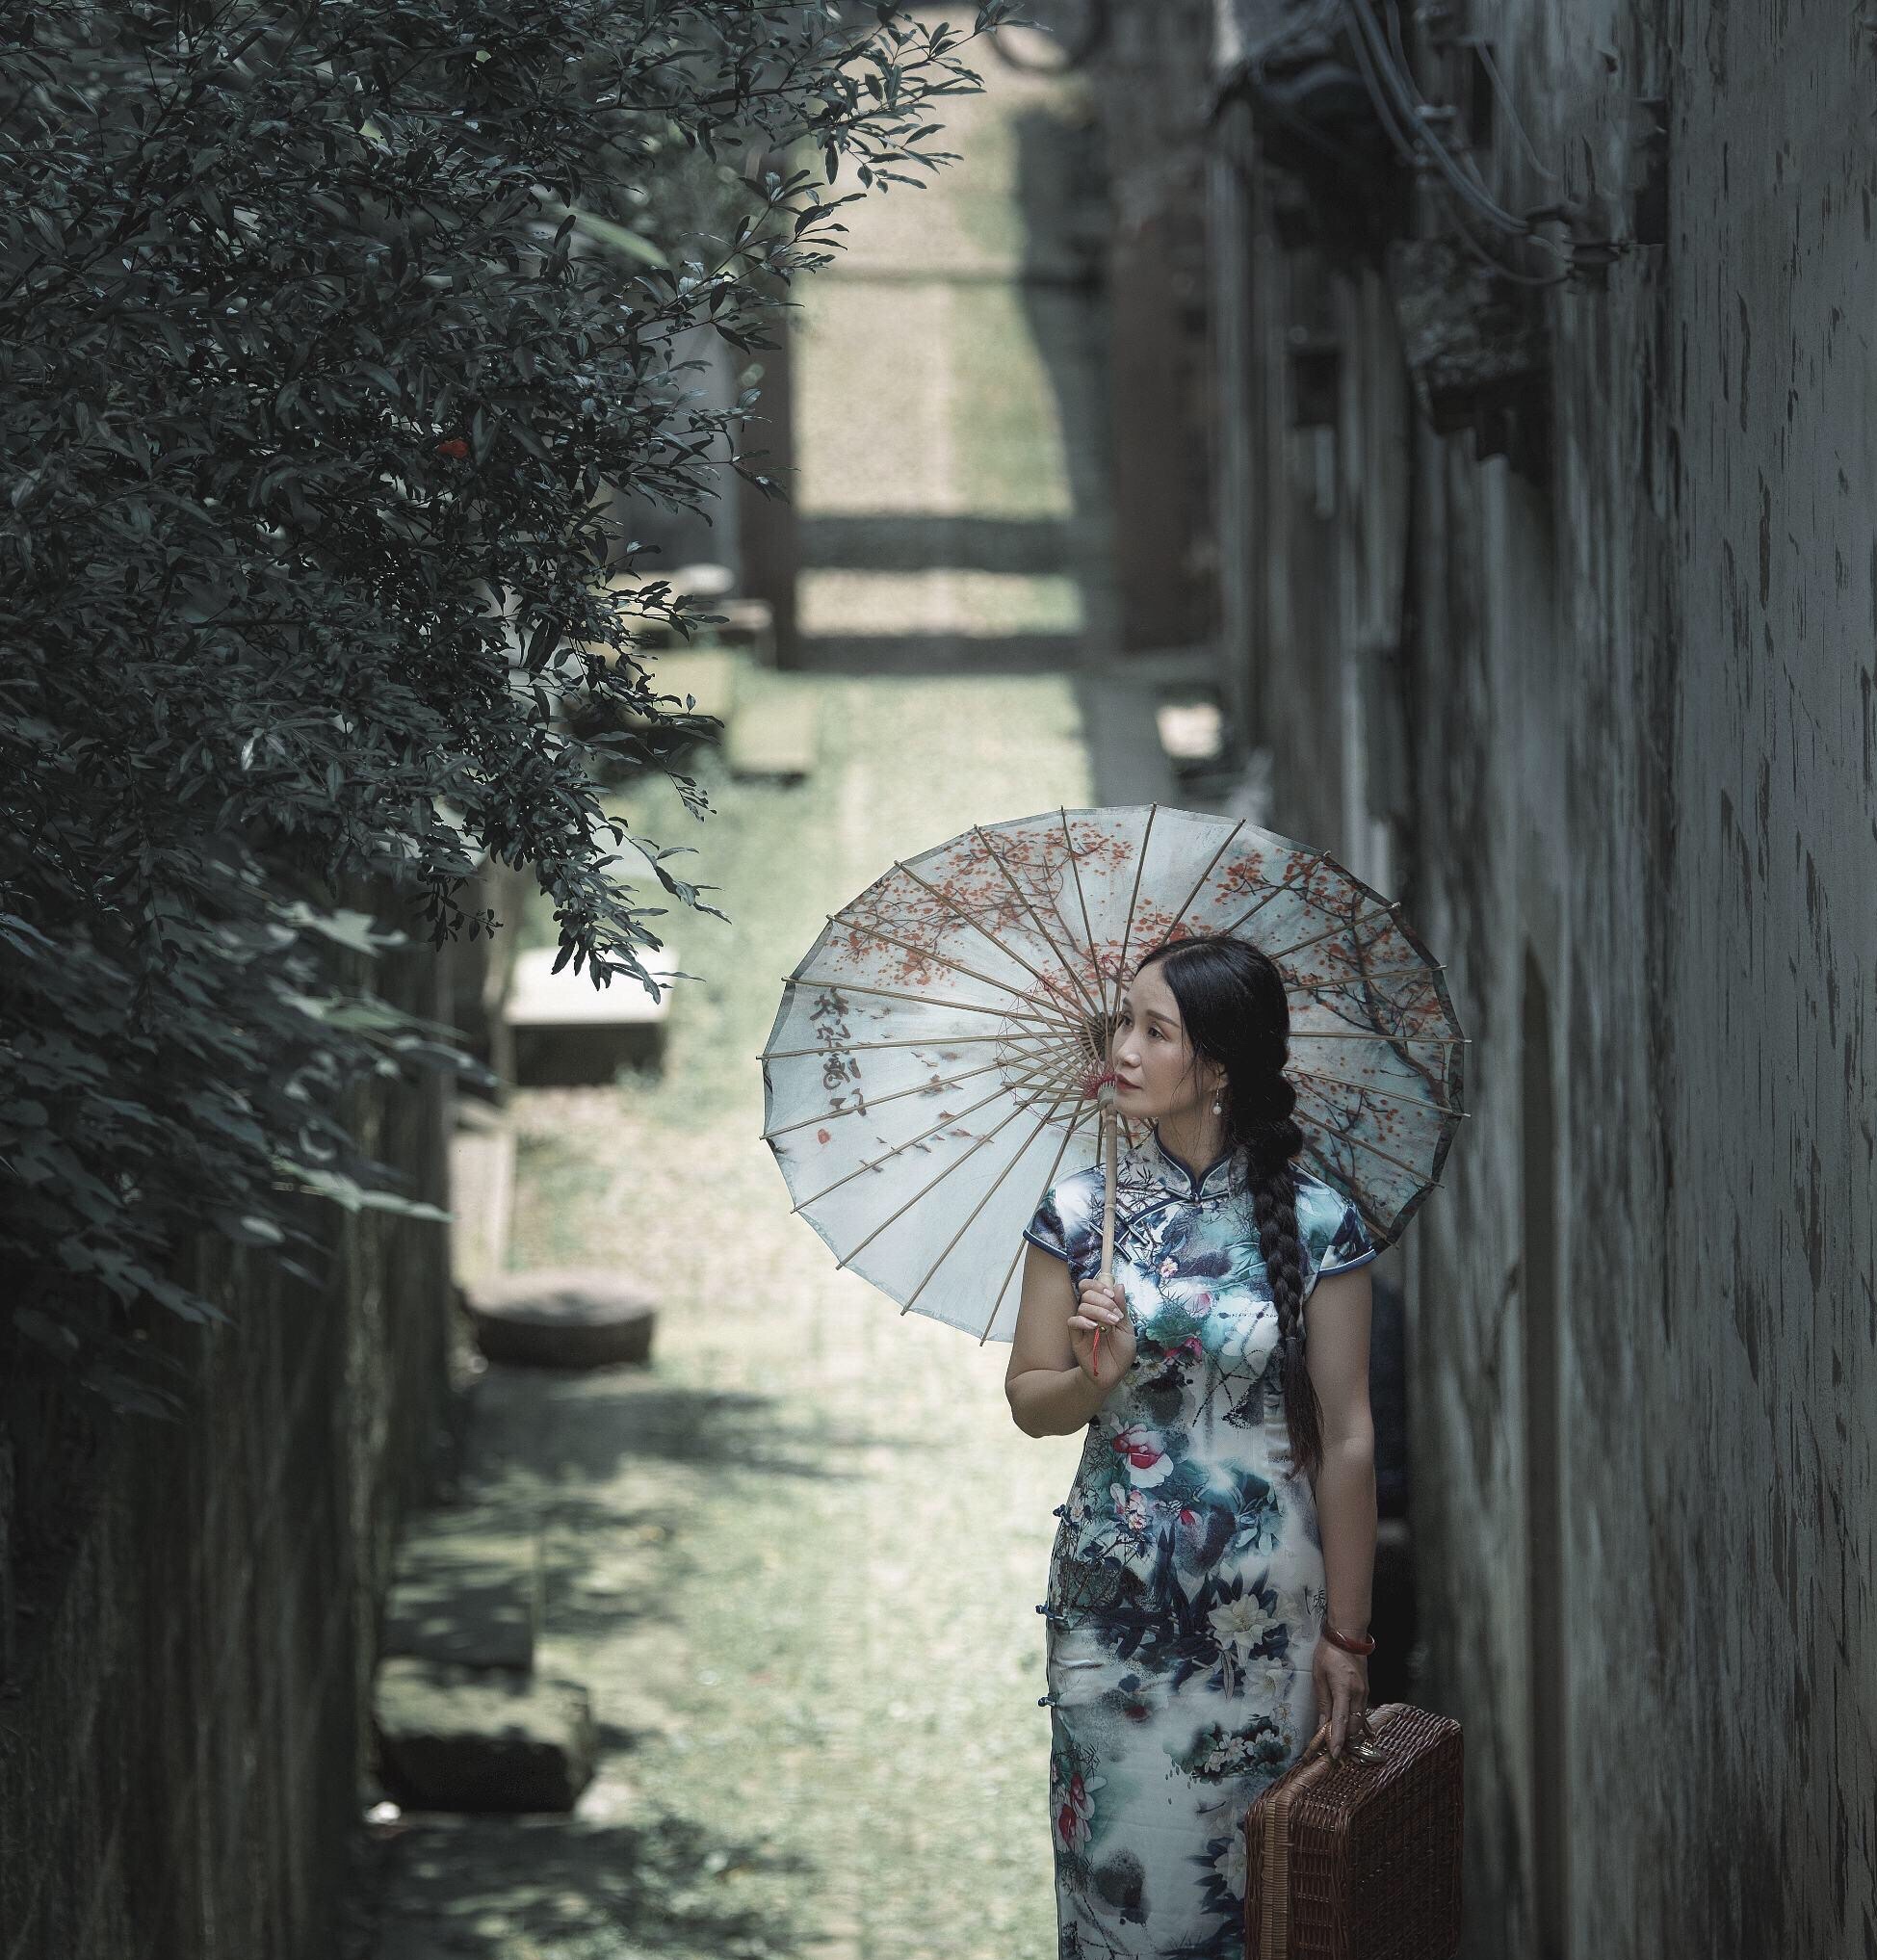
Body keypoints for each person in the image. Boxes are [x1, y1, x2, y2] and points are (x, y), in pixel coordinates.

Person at [1004, 930, 1380, 1959]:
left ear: (1214, 1065)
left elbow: (1345, 1437)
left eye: (1151, 1029)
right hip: (1113, 1614)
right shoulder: (1080, 1215)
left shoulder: (1315, 1222)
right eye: (1121, 1021)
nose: (1119, 1046)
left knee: (1262, 1904)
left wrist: (1347, 1638)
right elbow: (1027, 1403)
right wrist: (1097, 1373)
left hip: (1263, 1626)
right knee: (1122, 1908)